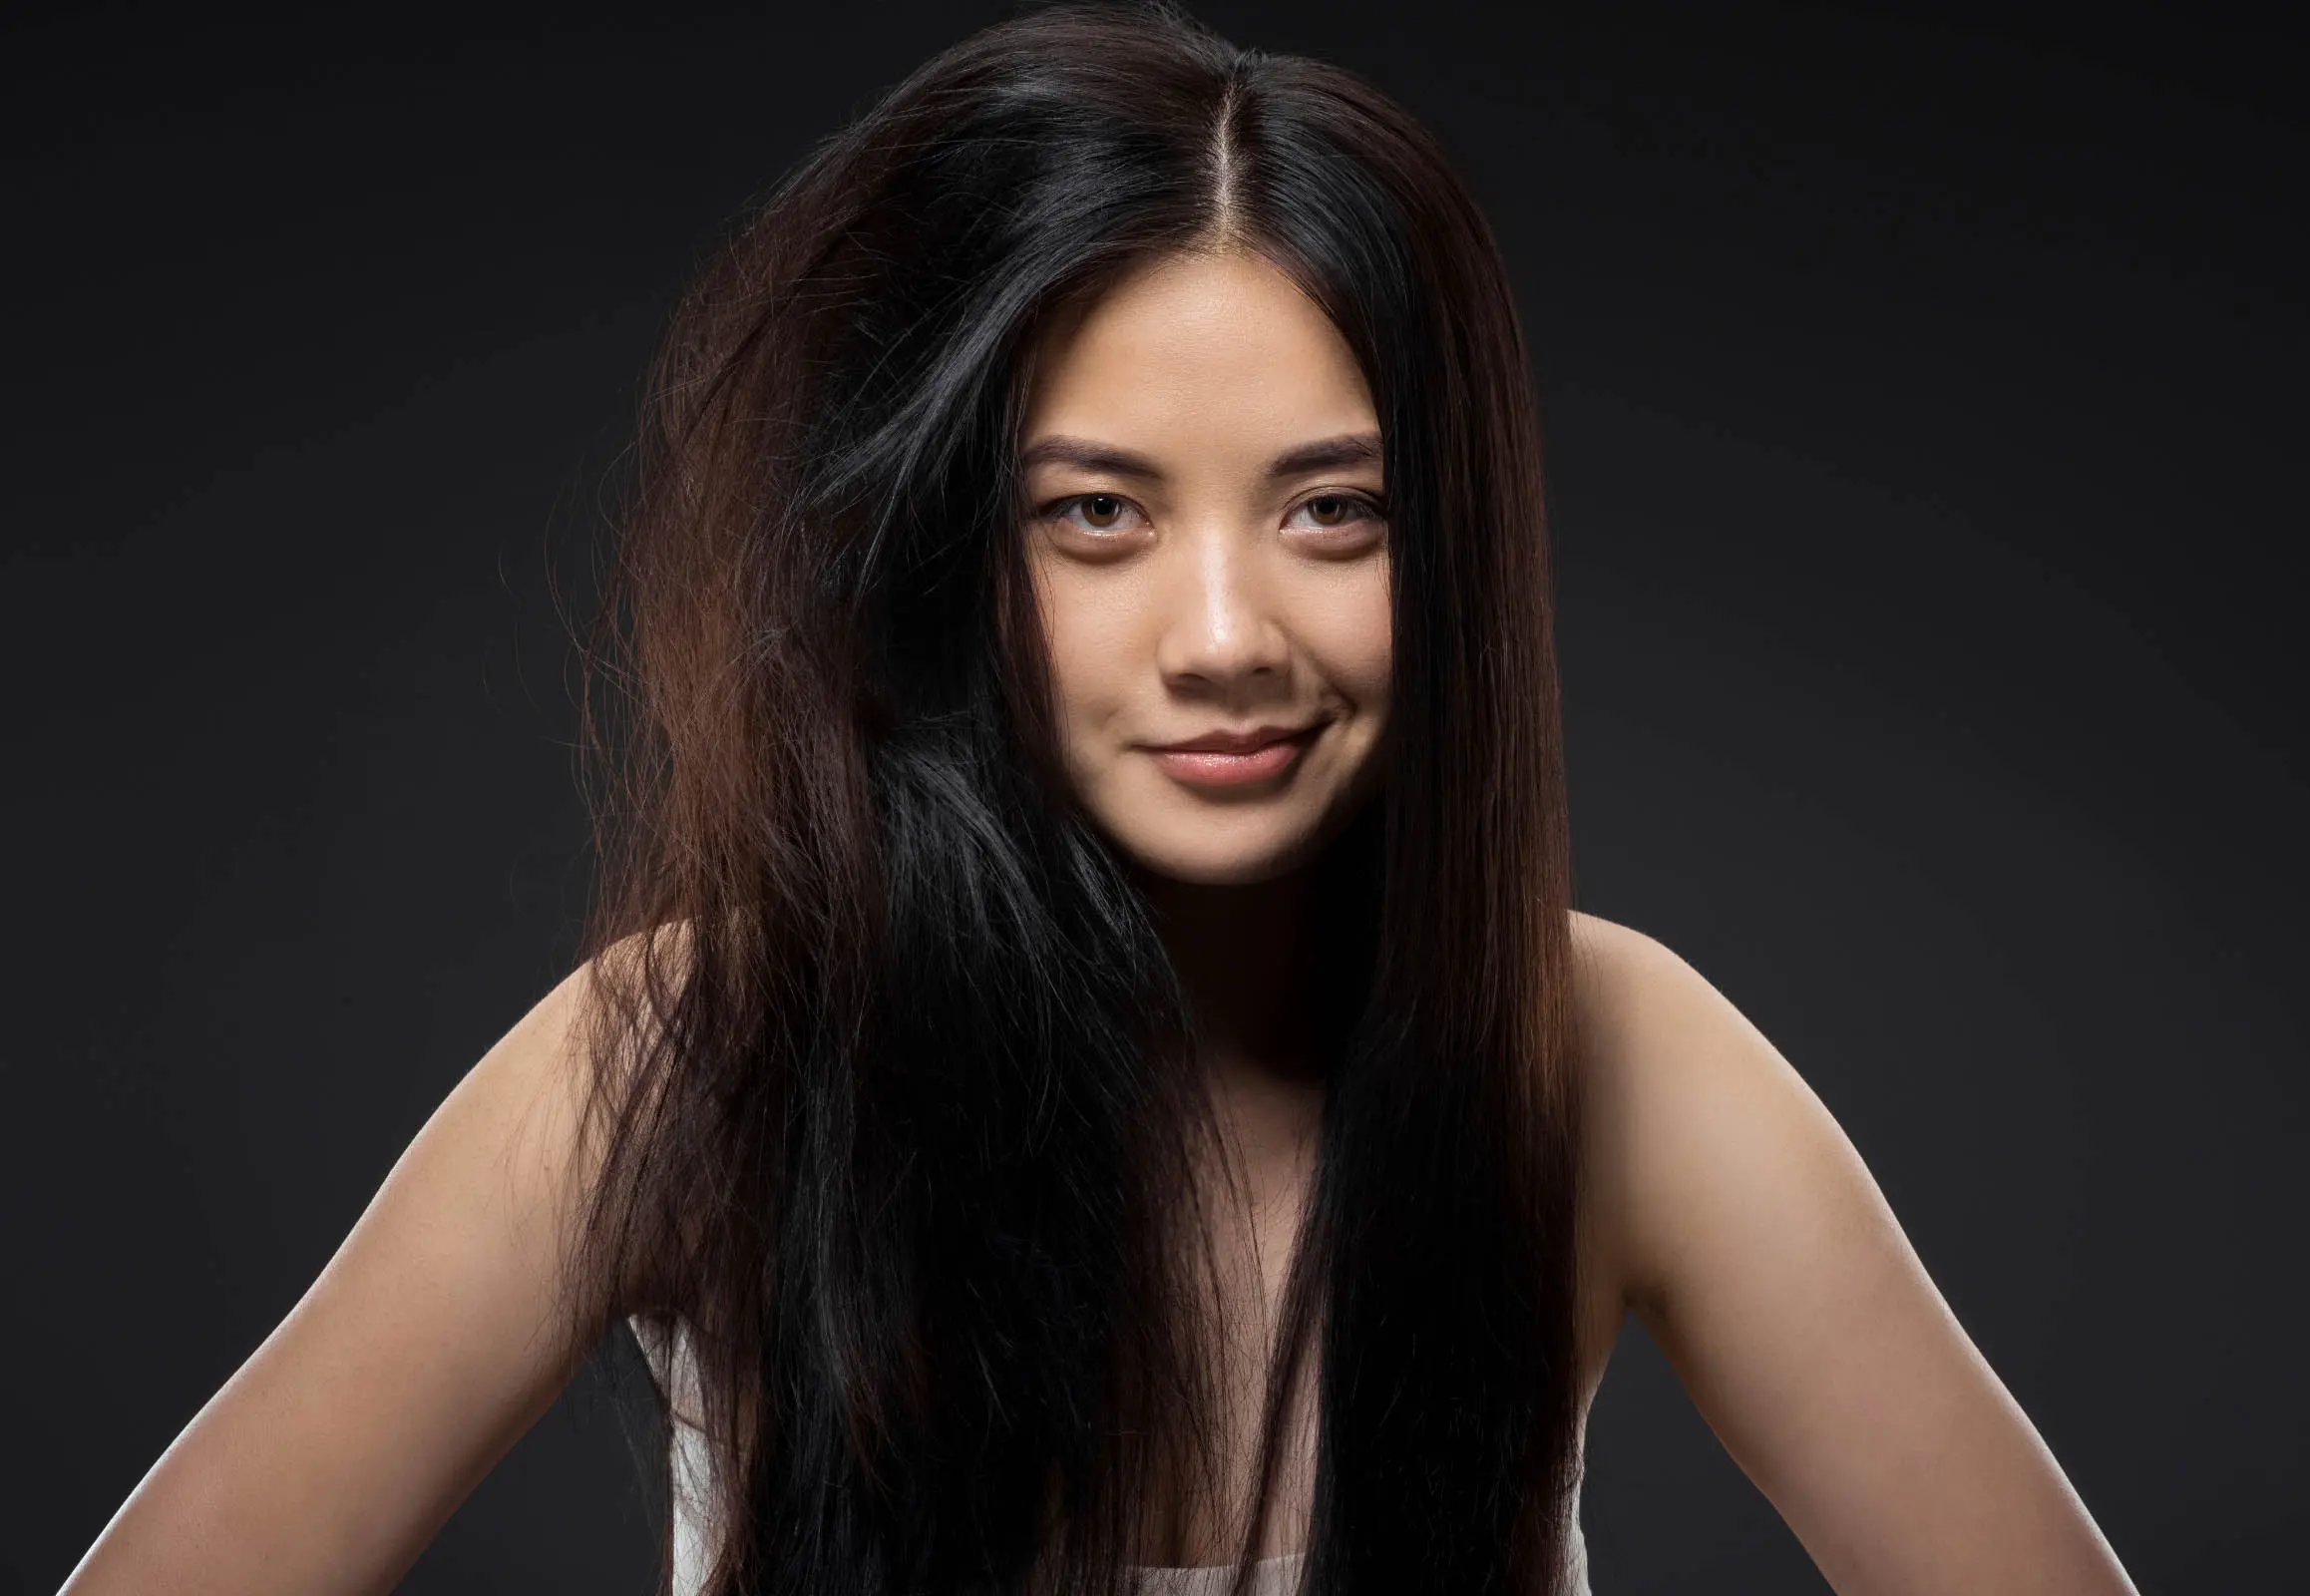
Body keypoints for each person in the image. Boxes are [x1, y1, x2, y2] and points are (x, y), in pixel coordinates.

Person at [58, 5, 2142, 1594]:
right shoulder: (694, 1047)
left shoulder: (1609, 1057)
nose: (1227, 627)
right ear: (944, 545)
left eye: (1338, 509)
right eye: (1097, 515)